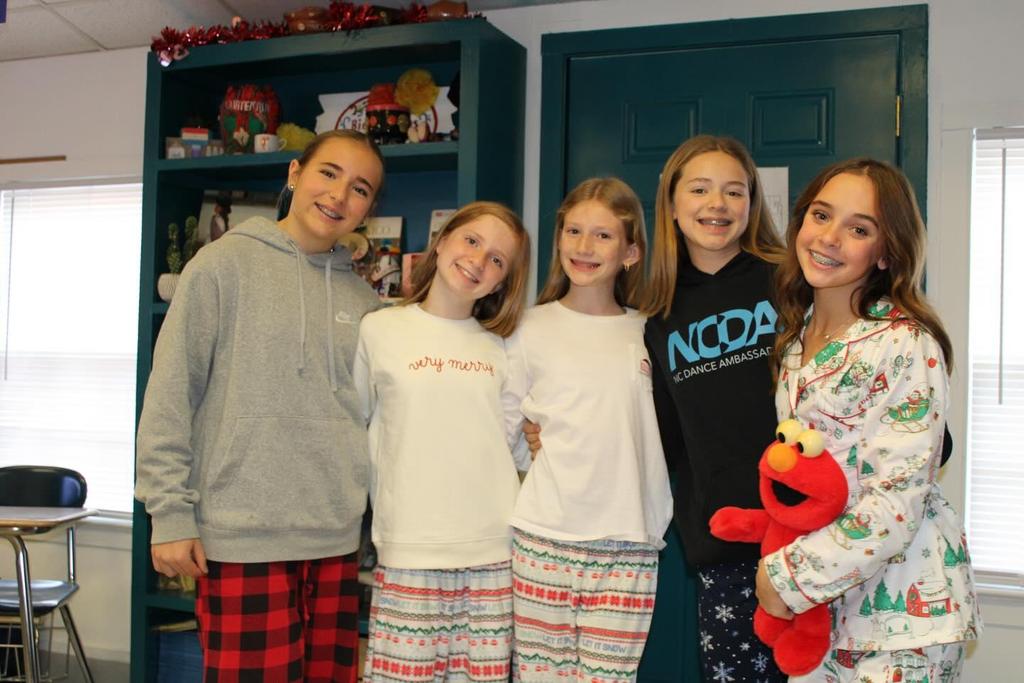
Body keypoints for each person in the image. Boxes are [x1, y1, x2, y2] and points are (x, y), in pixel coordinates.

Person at [136, 129, 385, 683]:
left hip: (335, 539)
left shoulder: (366, 303)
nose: (339, 195)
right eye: (328, 173)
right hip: (241, 536)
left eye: (360, 188)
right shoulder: (221, 266)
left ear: (368, 208)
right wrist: (169, 514)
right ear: (295, 173)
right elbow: (171, 393)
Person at [757, 158, 980, 681]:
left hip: (902, 619)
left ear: (885, 253)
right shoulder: (795, 338)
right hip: (819, 619)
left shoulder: (904, 342)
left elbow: (897, 502)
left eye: (858, 229)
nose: (829, 237)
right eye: (821, 215)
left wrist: (787, 576)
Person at [353, 201, 531, 682]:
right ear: (443, 239)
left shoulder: (507, 347)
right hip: (409, 548)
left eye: (497, 260)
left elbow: (518, 448)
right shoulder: (379, 329)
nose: (478, 260)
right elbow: (354, 429)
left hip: (493, 554)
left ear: (503, 282)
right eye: (472, 240)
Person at [505, 177, 673, 682]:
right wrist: (533, 447)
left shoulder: (651, 332)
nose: (584, 246)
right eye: (574, 231)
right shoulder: (527, 327)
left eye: (603, 235)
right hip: (542, 538)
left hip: (628, 541)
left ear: (631, 252)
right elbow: (506, 428)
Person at [642, 135, 789, 682]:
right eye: (700, 189)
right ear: (672, 203)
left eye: (734, 191)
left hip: (809, 534)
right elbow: (660, 436)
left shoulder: (790, 279)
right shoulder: (656, 313)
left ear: (752, 202)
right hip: (724, 543)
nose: (718, 204)